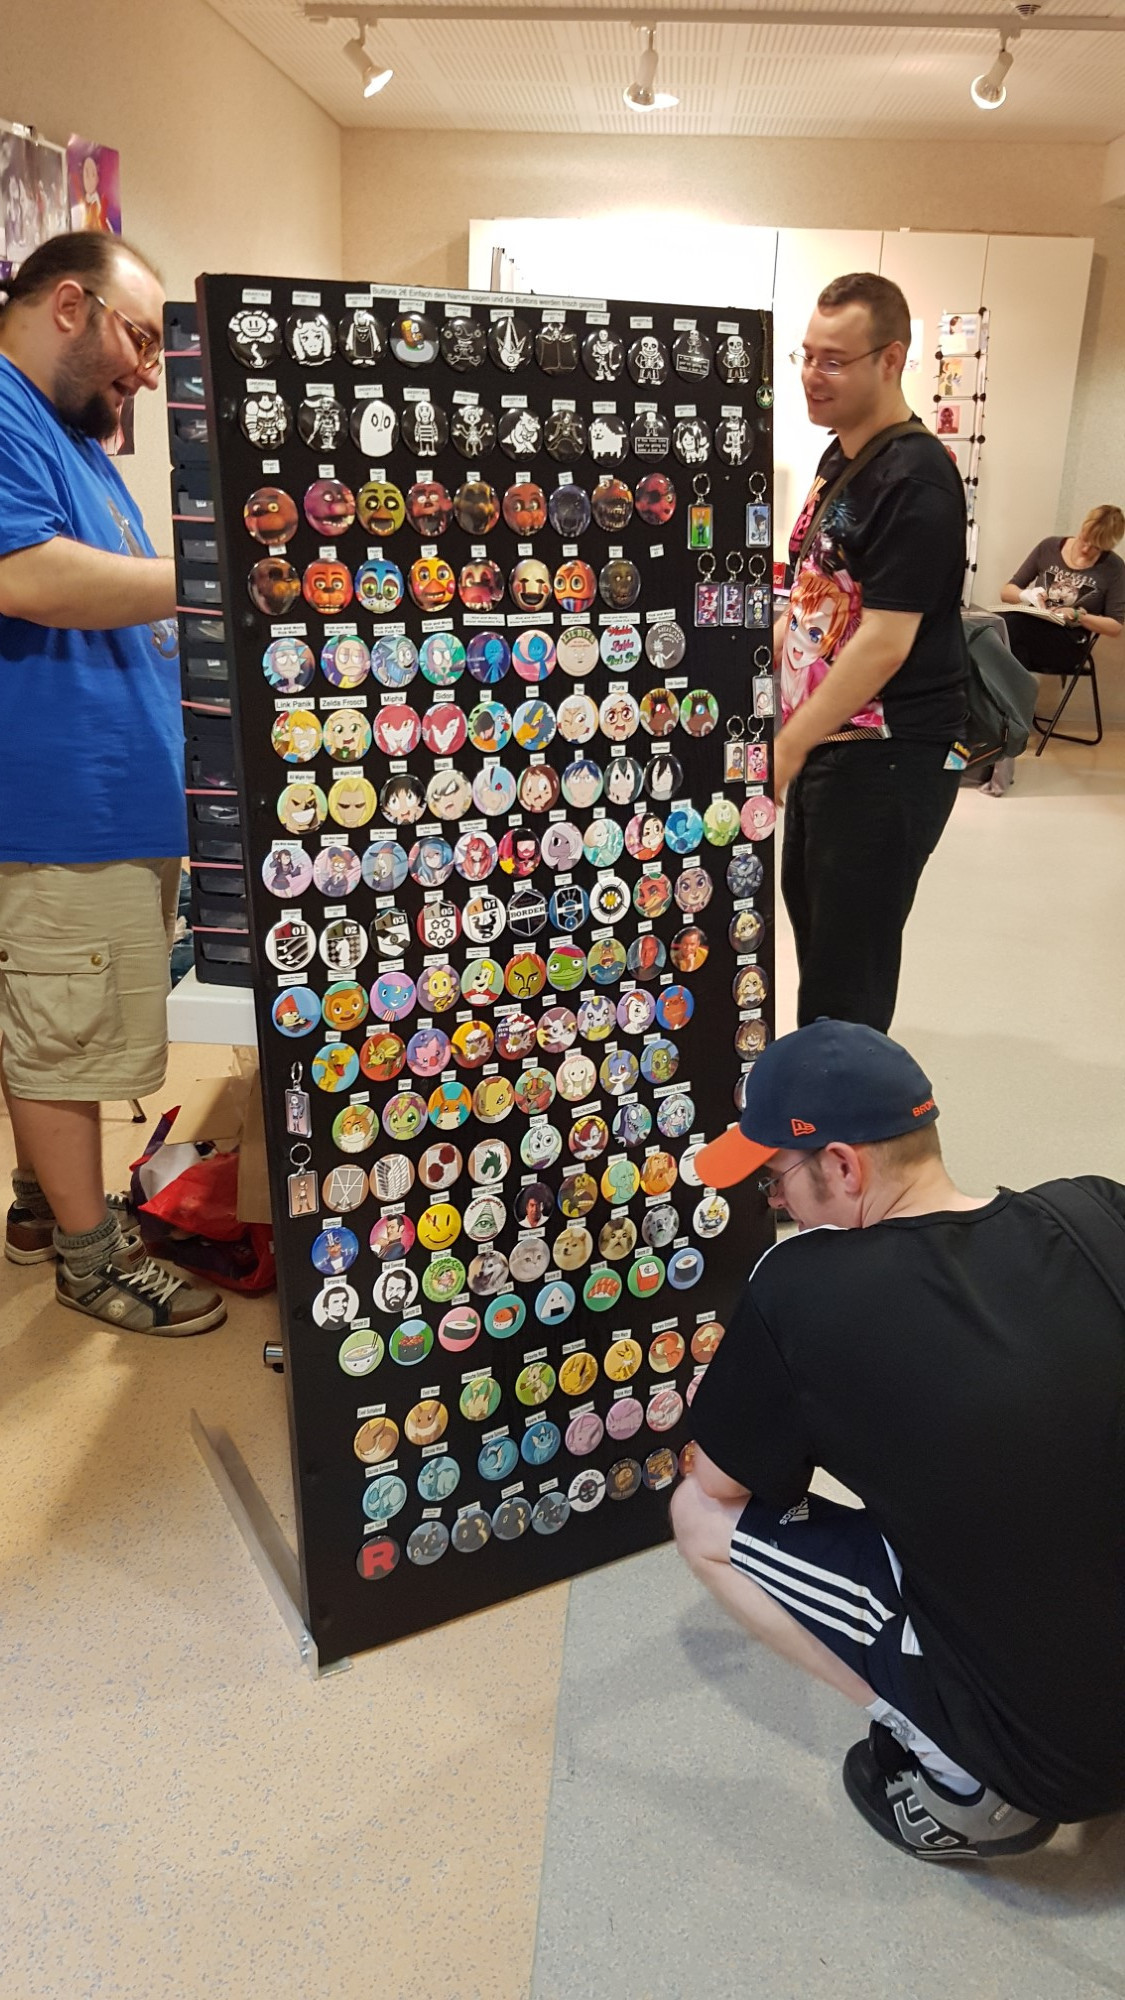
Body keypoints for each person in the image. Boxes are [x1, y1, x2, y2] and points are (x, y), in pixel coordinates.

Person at [672, 1018, 1125, 1861]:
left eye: (773, 1180)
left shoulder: (798, 1290)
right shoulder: (1093, 1209)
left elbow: (721, 1485)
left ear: (843, 1167)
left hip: (1063, 1764)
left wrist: (747, 1404)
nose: (775, 1204)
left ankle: (960, 1774)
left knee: (697, 1520)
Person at [0, 231, 225, 1337]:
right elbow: (28, 576)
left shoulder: (68, 435)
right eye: (140, 336)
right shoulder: (4, 412)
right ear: (68, 305)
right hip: (61, 813)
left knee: (62, 1024)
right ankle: (92, 1261)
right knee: (63, 1032)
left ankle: (47, 1203)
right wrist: (210, 577)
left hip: (107, 803)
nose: (147, 366)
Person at [776, 273, 969, 1033]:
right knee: (818, 934)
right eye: (806, 355)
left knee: (845, 969)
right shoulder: (843, 457)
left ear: (890, 360)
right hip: (833, 743)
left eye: (834, 361)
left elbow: (886, 641)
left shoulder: (917, 478)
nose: (811, 376)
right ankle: (820, 1090)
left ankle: (839, 1105)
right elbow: (811, 597)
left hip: (887, 755)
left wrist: (791, 742)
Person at [1000, 506, 1125, 640]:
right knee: (1001, 626)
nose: (1085, 549)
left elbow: (1115, 627)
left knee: (1015, 633)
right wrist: (1028, 596)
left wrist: (1078, 616)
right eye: (1084, 539)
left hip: (1068, 635)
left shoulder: (1114, 568)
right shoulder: (1049, 547)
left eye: (1096, 547)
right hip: (1032, 623)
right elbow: (1006, 592)